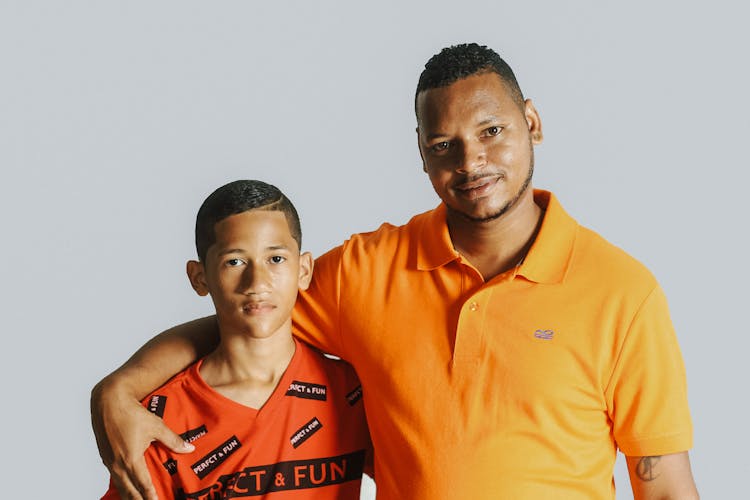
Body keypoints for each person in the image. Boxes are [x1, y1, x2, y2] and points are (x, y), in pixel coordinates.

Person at [92, 44, 698, 499]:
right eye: (444, 145)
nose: (472, 161)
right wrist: (117, 391)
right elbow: (254, 307)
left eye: (492, 131)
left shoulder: (623, 293)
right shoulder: (366, 271)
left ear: (532, 121)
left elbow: (665, 483)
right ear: (421, 152)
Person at [100, 180, 371, 499]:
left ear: (304, 269)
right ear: (199, 278)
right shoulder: (160, 421)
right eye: (235, 262)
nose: (257, 282)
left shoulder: (352, 394)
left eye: (276, 259)